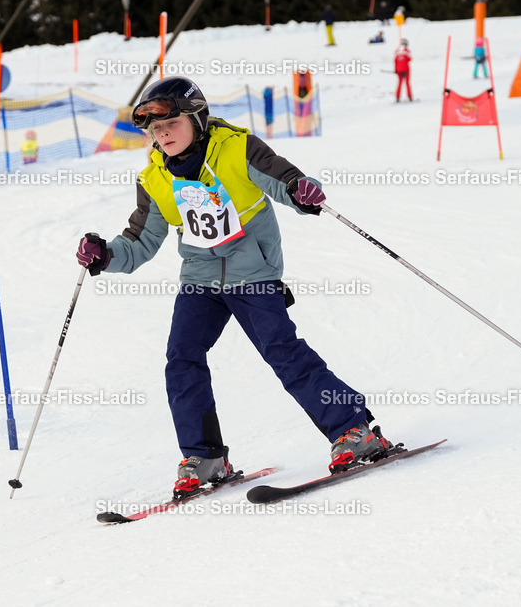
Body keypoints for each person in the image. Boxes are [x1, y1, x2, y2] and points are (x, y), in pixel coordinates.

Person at [75, 77, 393, 499]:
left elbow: (282, 177)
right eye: (155, 130)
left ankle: (353, 429)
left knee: (282, 350)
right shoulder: (155, 177)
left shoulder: (237, 148)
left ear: (197, 119)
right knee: (181, 358)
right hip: (199, 280)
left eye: (171, 124)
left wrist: (301, 192)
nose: (162, 134)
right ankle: (204, 457)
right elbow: (139, 242)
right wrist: (105, 255)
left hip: (253, 274)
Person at [394, 38, 413, 102]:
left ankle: (397, 97)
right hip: (406, 70)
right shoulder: (406, 51)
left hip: (399, 70)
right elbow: (409, 59)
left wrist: (396, 69)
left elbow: (395, 61)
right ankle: (410, 97)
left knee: (399, 83)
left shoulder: (397, 52)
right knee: (407, 83)